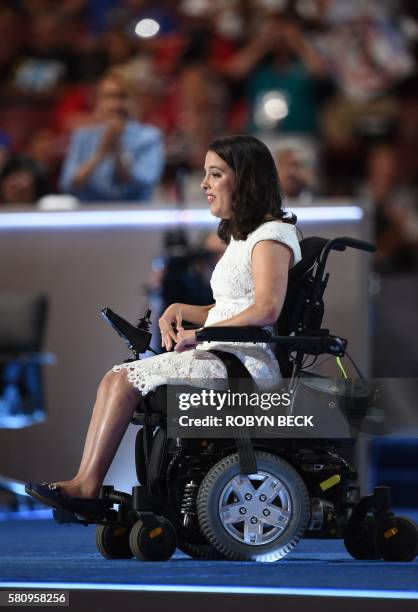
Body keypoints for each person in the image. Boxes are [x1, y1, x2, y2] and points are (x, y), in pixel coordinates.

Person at [25, 135, 301, 512]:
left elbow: (267, 310)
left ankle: (87, 485)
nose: (204, 184)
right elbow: (230, 308)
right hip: (224, 351)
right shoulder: (242, 237)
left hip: (246, 364)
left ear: (246, 179)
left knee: (122, 379)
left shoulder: (272, 236)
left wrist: (202, 333)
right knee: (115, 377)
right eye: (205, 174)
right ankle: (85, 482)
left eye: (215, 174)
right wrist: (181, 308)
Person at [59, 70, 164, 202]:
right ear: (98, 101)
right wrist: (101, 152)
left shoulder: (149, 137)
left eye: (122, 96)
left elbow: (144, 181)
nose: (115, 104)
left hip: (134, 217)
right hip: (91, 218)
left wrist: (117, 147)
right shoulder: (82, 137)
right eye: (108, 97)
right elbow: (68, 184)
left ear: (134, 100)